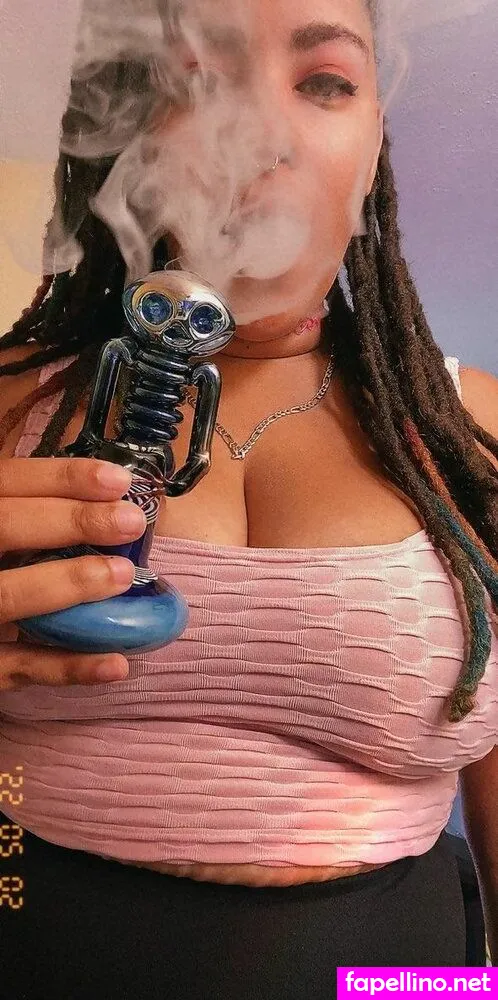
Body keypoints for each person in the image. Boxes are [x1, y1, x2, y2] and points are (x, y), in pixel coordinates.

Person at [0, 0, 497, 995]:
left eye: (325, 83)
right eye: (197, 81)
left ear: (374, 143)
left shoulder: (473, 432)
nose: (263, 134)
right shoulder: (12, 407)